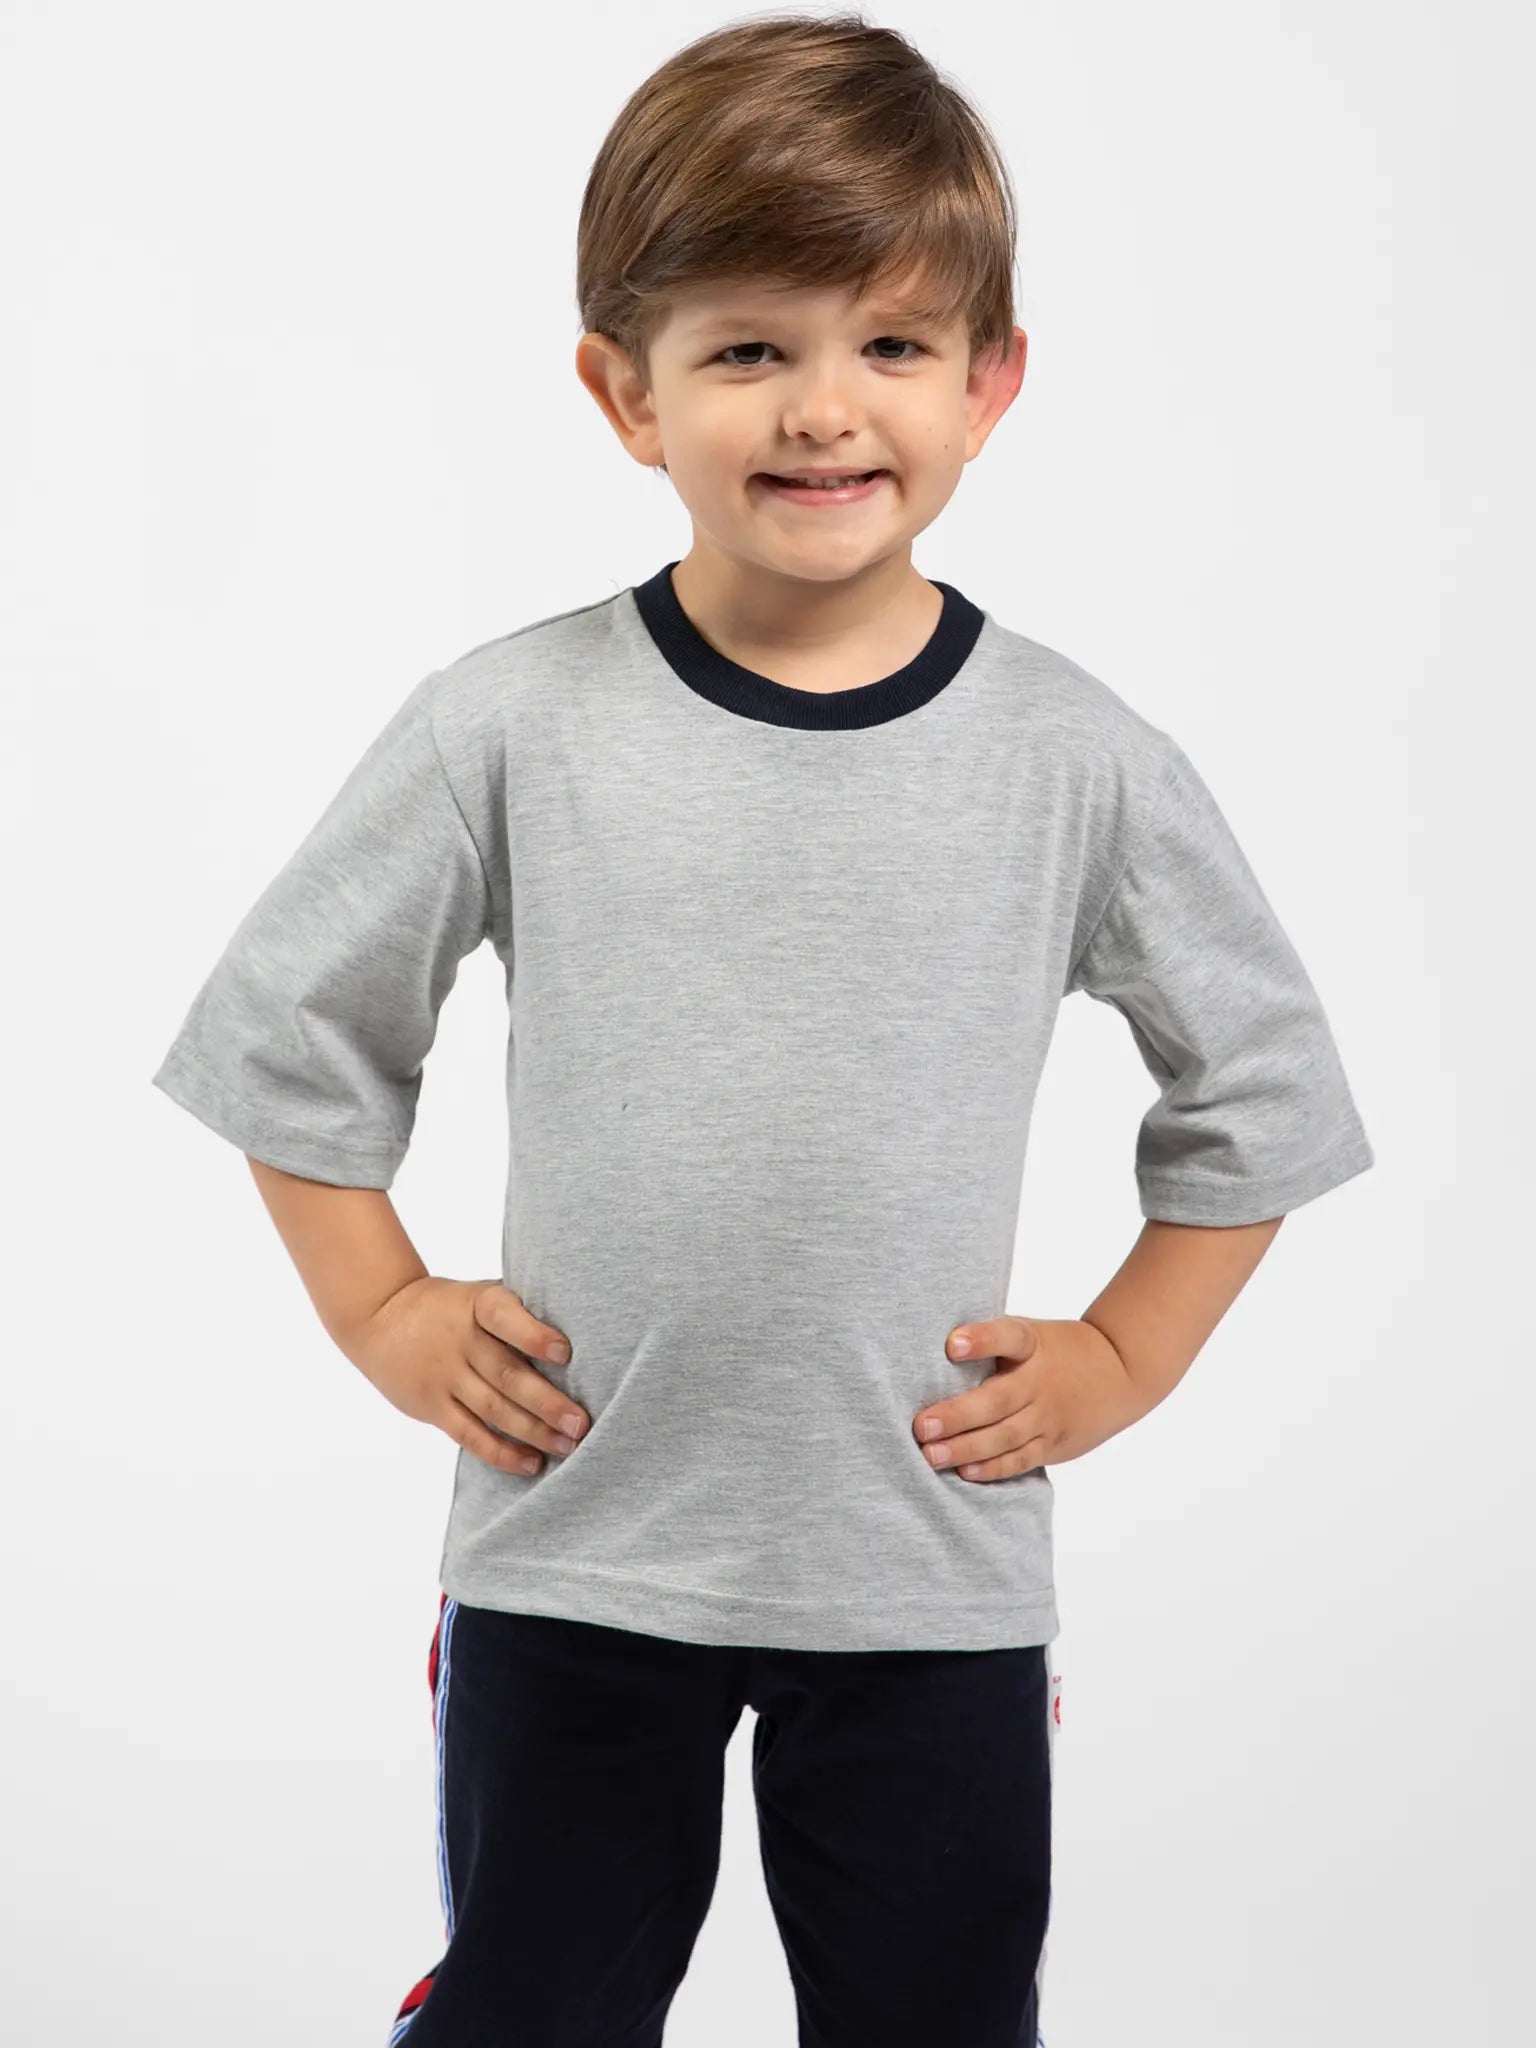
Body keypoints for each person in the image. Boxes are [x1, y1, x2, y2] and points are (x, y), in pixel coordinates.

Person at [150, 14, 1374, 2047]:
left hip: (923, 1571)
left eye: (892, 346)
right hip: (575, 1550)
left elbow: (1265, 1088)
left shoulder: (1079, 758)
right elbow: (291, 1031)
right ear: (623, 392)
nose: (825, 410)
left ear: (994, 383)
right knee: (533, 2010)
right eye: (748, 350)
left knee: (937, 2019)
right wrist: (380, 1310)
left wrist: (1126, 1352)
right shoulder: (509, 722)